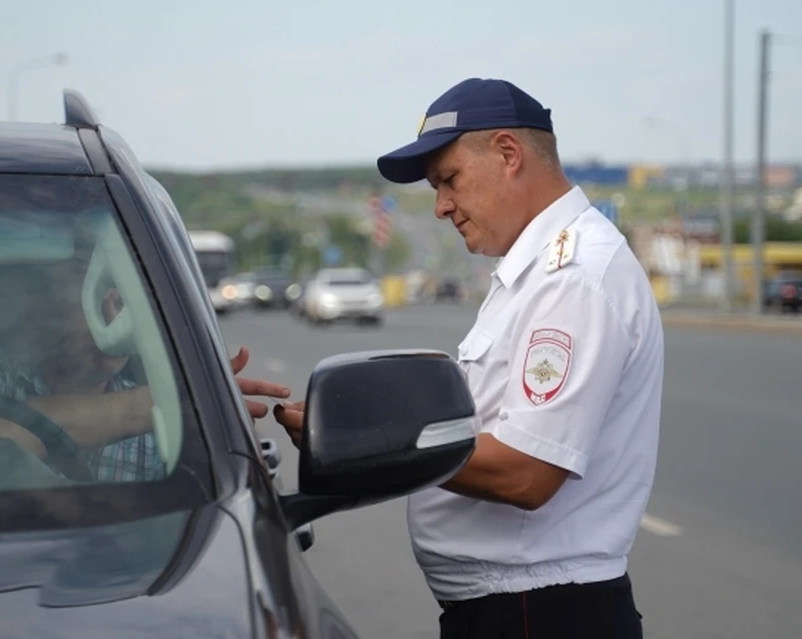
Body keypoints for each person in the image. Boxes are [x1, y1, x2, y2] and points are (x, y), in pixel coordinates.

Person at [274, 77, 664, 638]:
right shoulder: (533, 275)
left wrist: (364, 439)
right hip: (518, 609)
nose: (440, 207)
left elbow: (526, 473)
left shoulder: (572, 278)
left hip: (540, 613)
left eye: (449, 180)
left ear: (508, 153)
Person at [0, 256, 289, 482]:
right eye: (86, 302)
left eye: (119, 302)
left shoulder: (167, 434)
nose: (112, 320)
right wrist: (173, 402)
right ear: (41, 317)